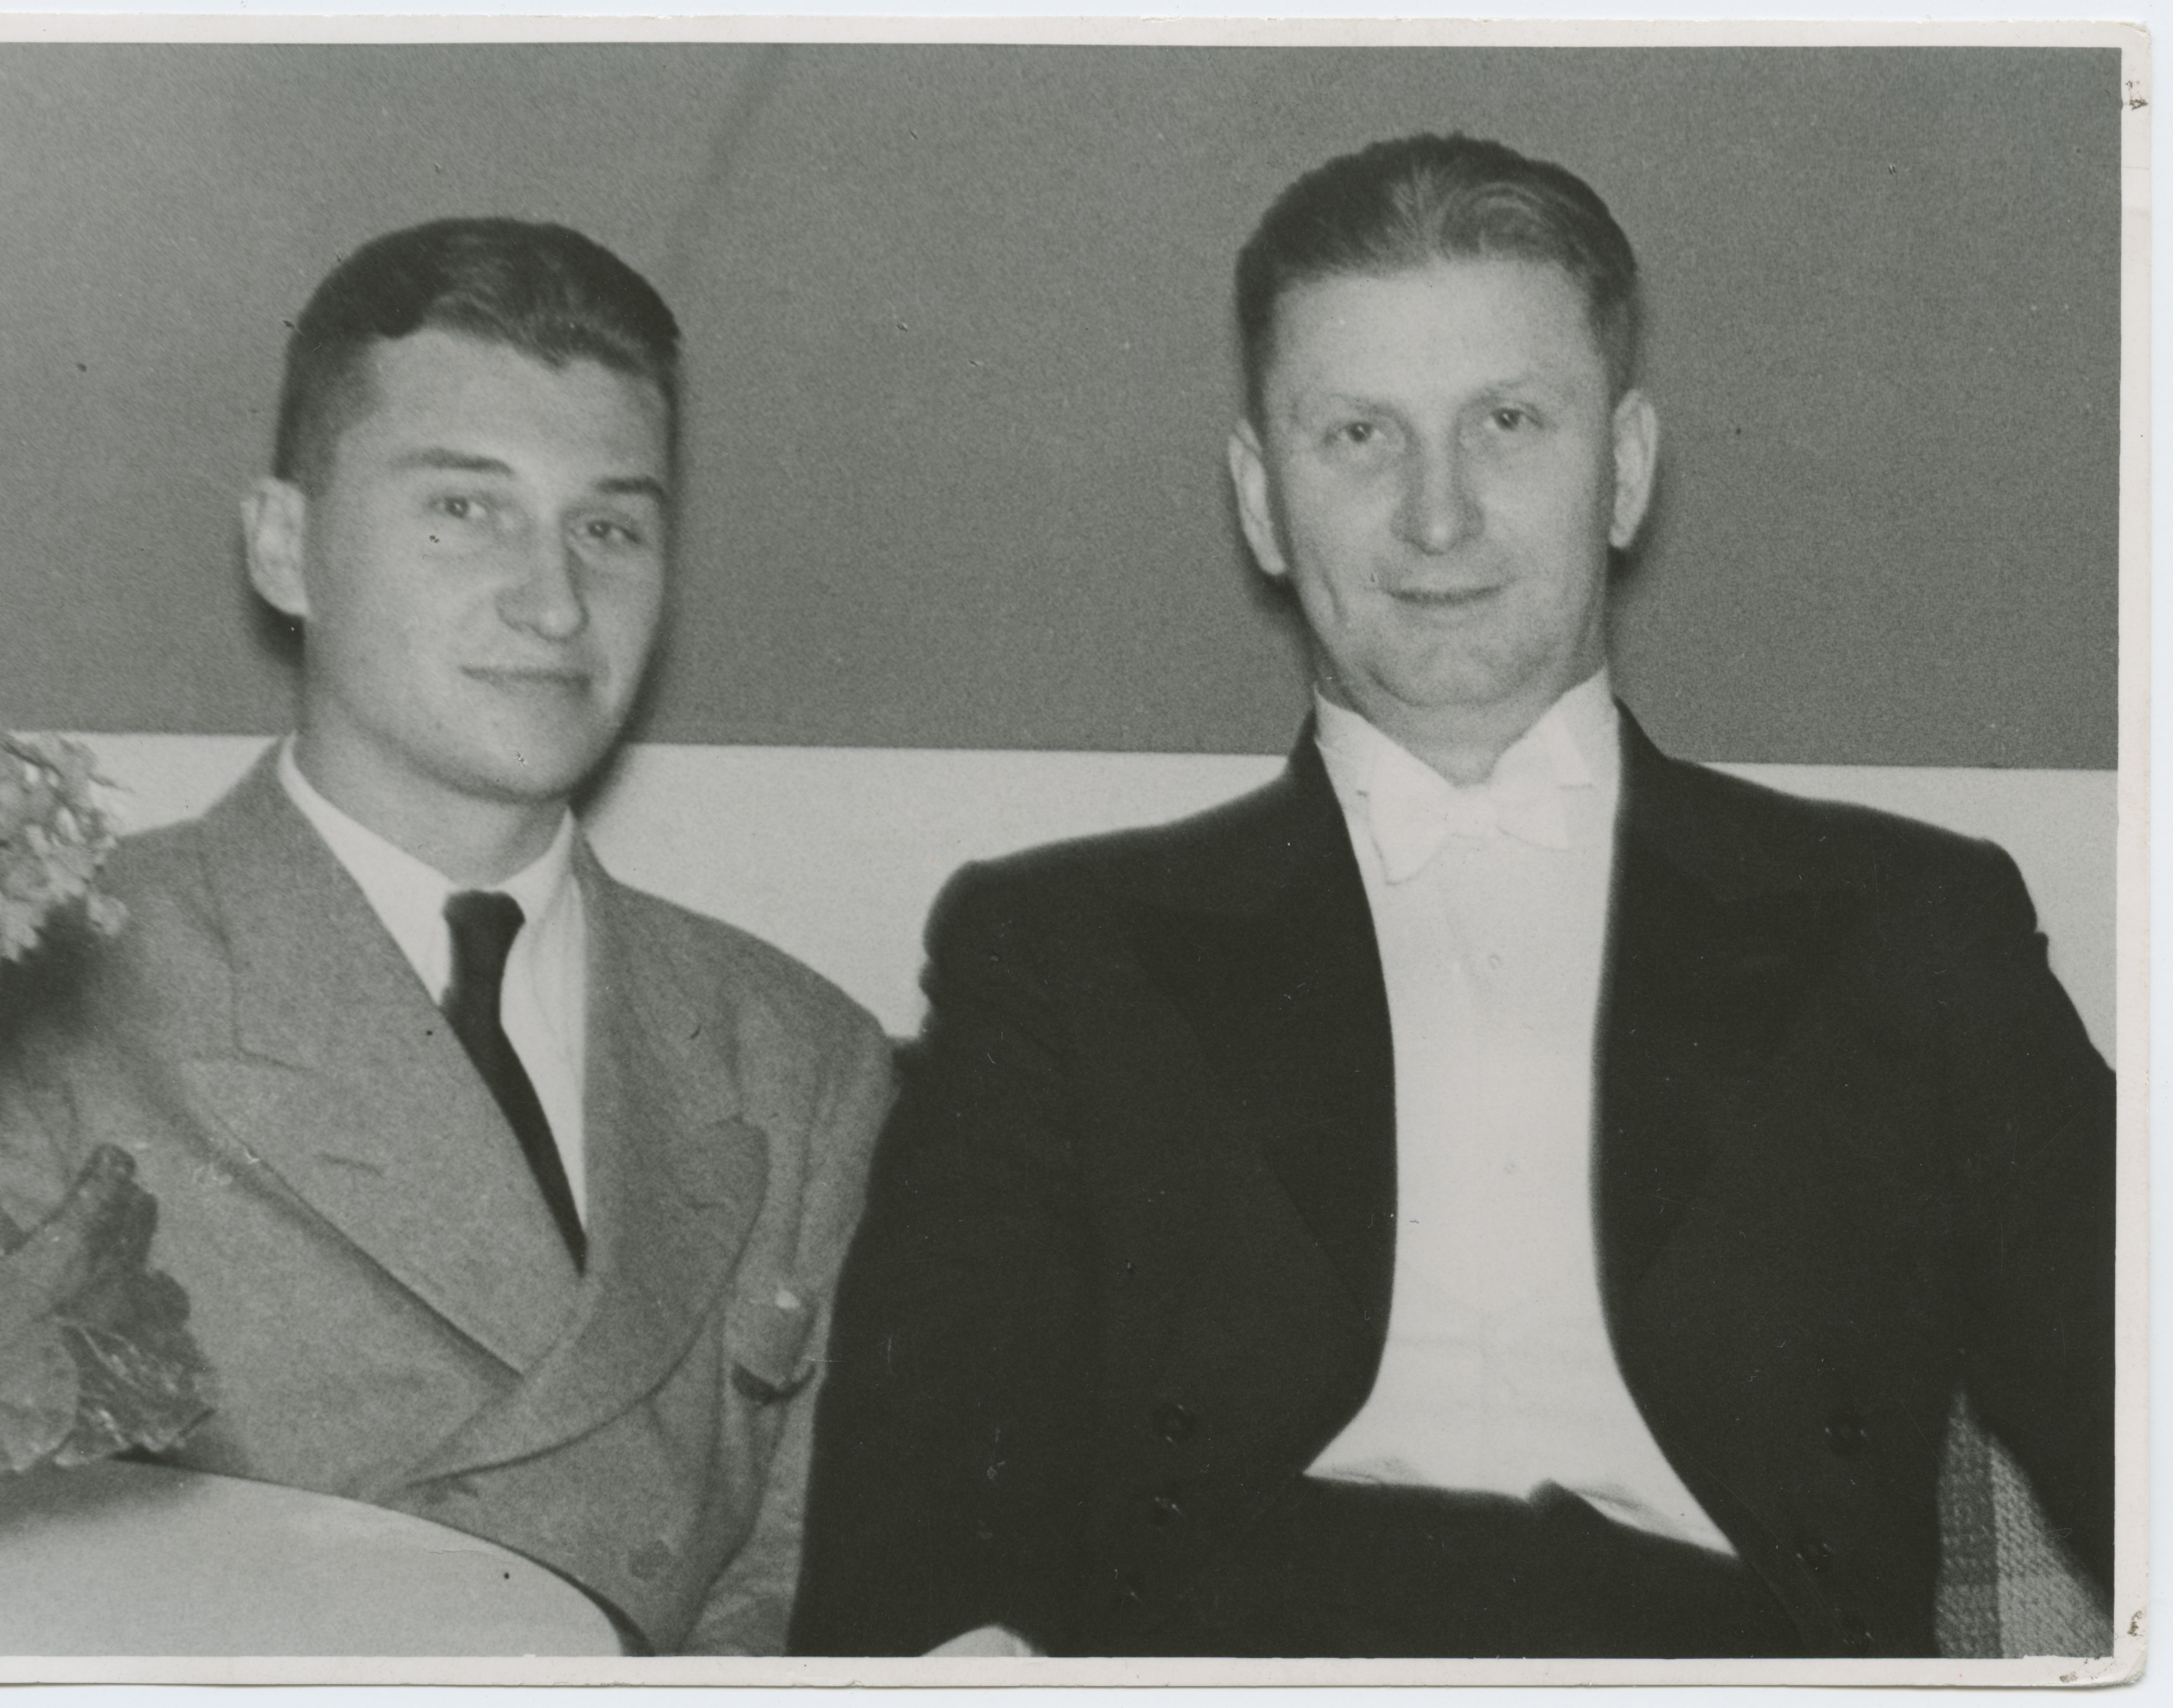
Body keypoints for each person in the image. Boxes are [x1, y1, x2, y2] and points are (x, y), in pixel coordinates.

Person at [788, 135, 2114, 1659]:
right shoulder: (1059, 954)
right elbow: (919, 1528)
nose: (1437, 515)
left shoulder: (1909, 925)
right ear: (1261, 499)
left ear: (1623, 468)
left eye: (1507, 422)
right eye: (1359, 434)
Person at [0, 218, 893, 1654]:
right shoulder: (27, 1000)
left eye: (609, 527)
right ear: (285, 548)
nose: (553, 601)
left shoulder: (795, 1056)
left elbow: (806, 1589)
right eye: (463, 508)